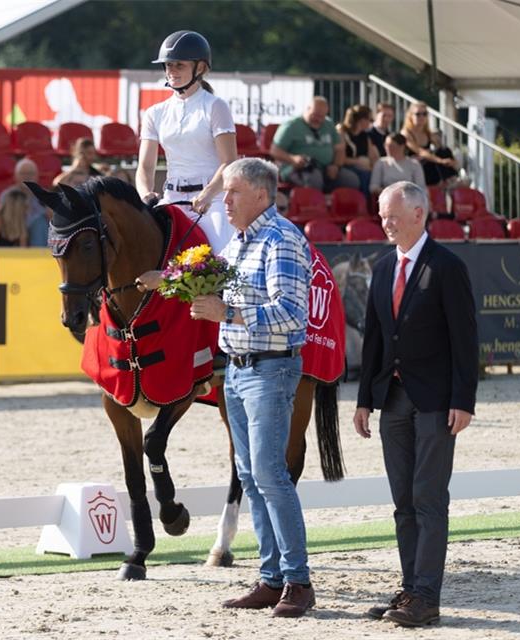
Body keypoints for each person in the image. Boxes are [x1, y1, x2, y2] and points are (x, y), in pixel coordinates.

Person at [189, 157, 314, 618]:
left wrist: (229, 315)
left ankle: (298, 581)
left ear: (262, 194)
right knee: (250, 477)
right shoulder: (238, 244)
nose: (225, 201)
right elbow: (201, 281)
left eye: (233, 192)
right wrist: (166, 281)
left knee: (269, 475)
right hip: (238, 371)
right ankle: (271, 576)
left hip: (270, 370)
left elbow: (292, 313)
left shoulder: (280, 240)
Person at [353, 181, 478, 628]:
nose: (384, 222)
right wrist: (365, 399)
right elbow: (374, 339)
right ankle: (410, 587)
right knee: (402, 501)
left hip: (436, 400)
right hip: (393, 399)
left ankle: (427, 595)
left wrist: (464, 400)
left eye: (391, 214)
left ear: (419, 213)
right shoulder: (384, 267)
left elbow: (466, 340)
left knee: (428, 498)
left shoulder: (447, 266)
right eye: (381, 214)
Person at [136, 30, 238, 254]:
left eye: (179, 65)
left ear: (200, 68)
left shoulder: (215, 106)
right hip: (172, 198)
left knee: (223, 259)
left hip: (213, 200)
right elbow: (145, 166)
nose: (171, 71)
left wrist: (208, 194)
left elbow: (229, 161)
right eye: (168, 65)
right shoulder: (155, 113)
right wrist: (145, 193)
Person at [269, 96, 359, 194]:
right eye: (315, 115)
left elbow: (340, 149)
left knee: (352, 180)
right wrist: (293, 159)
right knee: (315, 179)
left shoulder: (328, 124)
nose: (318, 119)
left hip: (327, 168)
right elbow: (274, 151)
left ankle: (332, 203)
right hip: (298, 168)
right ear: (307, 109)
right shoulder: (291, 126)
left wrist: (336, 166)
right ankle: (315, 205)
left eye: (322, 116)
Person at [400, 101, 459, 187]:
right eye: (418, 114)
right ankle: (448, 180)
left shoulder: (427, 133)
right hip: (412, 165)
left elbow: (439, 148)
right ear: (410, 116)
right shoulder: (406, 133)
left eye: (425, 114)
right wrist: (441, 161)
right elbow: (420, 152)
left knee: (443, 150)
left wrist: (451, 161)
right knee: (432, 159)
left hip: (426, 162)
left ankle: (450, 178)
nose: (422, 117)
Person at [1, 158, 49, 246]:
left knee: (39, 223)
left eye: (31, 173)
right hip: (13, 233)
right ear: (15, 176)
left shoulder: (46, 196)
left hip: (40, 235)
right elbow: (3, 218)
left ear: (37, 176)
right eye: (23, 173)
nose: (27, 176)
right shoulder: (7, 196)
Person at [337, 104, 379, 198]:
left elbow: (372, 156)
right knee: (365, 175)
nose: (371, 123)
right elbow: (340, 159)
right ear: (361, 120)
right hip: (346, 167)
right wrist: (358, 161)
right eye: (370, 120)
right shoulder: (342, 132)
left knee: (376, 175)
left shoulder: (365, 136)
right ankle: (364, 205)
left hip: (363, 167)